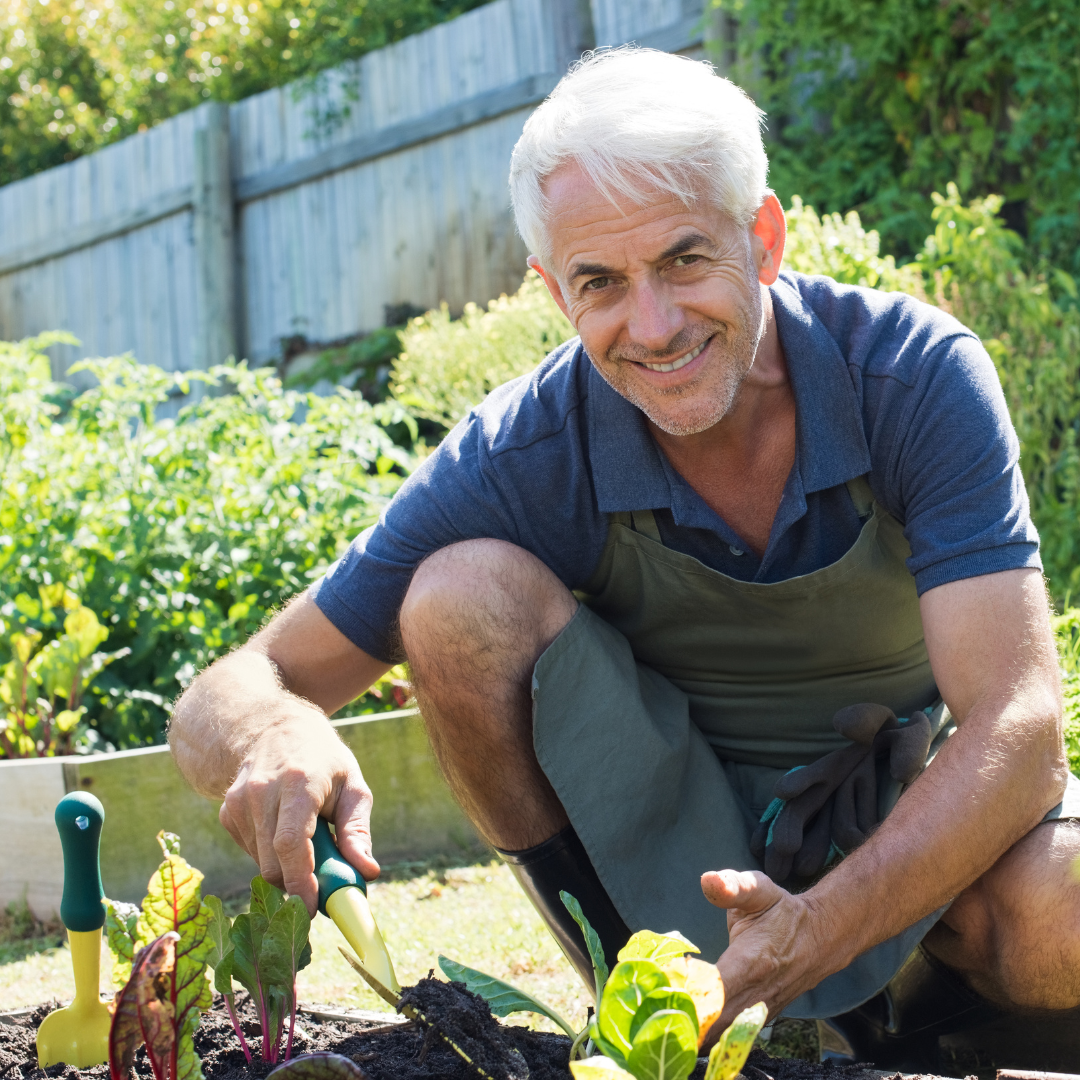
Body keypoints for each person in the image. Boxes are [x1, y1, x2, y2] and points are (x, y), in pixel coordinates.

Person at [169, 48, 1080, 1072]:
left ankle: (891, 1031)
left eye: (686, 259)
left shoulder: (910, 376)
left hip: (915, 834)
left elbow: (1022, 726)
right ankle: (643, 1006)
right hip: (673, 863)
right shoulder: (528, 452)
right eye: (600, 282)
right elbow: (226, 693)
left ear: (763, 239)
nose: (651, 326)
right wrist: (271, 732)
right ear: (555, 291)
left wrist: (813, 930)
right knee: (455, 596)